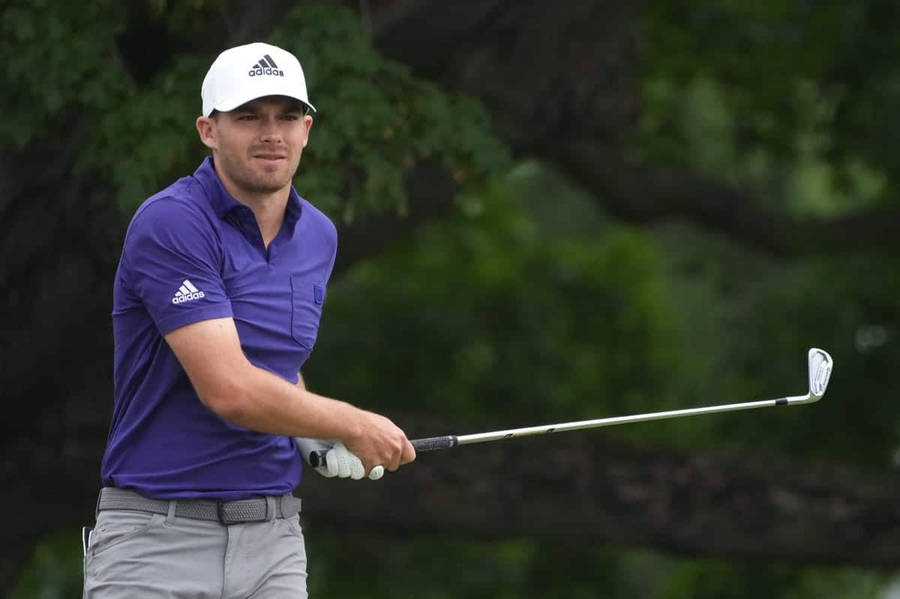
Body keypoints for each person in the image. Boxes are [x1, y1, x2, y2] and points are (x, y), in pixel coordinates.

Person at [82, 41, 416, 598]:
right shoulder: (172, 222)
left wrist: (312, 439)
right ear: (208, 130)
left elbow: (276, 365)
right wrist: (349, 423)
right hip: (156, 541)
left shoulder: (318, 235)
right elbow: (230, 388)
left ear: (307, 130)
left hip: (274, 542)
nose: (272, 133)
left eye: (288, 117)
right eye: (248, 117)